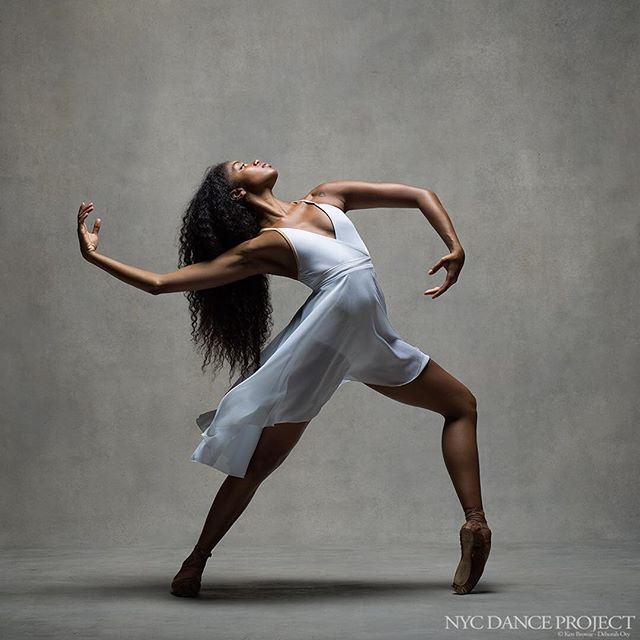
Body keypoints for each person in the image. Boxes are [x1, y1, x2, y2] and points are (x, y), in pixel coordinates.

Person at [76, 159, 491, 597]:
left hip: (369, 337)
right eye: (240, 166)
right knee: (259, 463)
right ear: (236, 194)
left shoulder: (330, 195)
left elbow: (418, 194)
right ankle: (196, 559)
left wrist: (454, 244)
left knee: (461, 406)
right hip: (322, 342)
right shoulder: (260, 247)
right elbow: (161, 283)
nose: (253, 160)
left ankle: (475, 523)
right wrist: (95, 256)